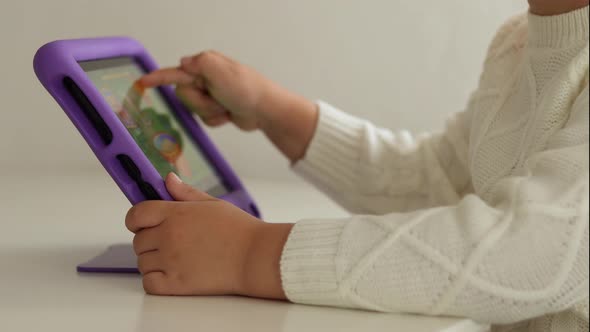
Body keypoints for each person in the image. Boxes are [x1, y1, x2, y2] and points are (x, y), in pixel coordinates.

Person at [124, 1, 590, 331]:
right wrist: (272, 109)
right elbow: (439, 180)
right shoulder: (517, 44)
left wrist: (250, 254)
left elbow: (544, 249)